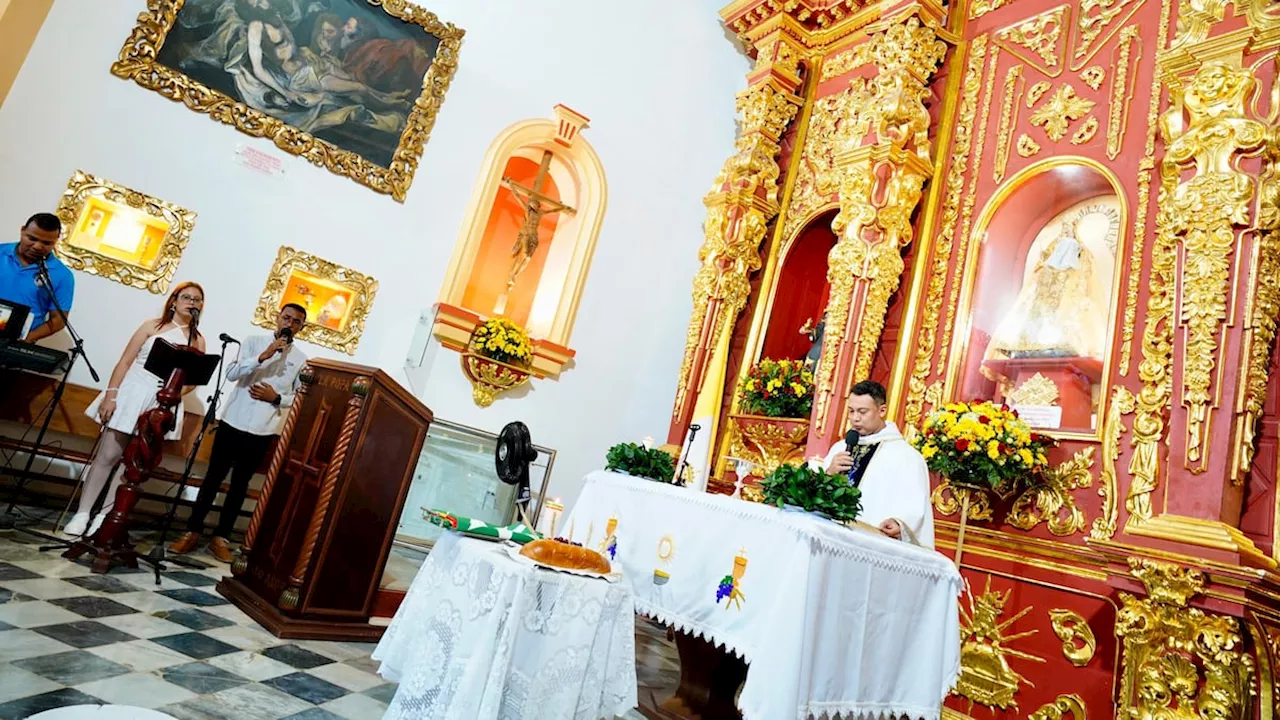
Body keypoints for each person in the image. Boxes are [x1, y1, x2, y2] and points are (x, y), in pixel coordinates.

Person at [63, 283, 207, 536]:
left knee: (131, 463)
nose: (192, 302)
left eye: (197, 299)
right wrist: (111, 396)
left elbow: (192, 382)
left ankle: (105, 516)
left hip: (161, 402)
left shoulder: (198, 340)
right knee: (107, 456)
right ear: (173, 301)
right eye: (186, 297)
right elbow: (125, 361)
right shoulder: (152, 326)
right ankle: (82, 513)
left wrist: (174, 392)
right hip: (134, 391)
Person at [169, 303, 308, 562]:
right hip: (233, 421)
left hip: (262, 430)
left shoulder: (300, 360)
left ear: (301, 327)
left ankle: (221, 538)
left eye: (296, 321)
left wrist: (277, 397)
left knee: (239, 486)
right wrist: (263, 356)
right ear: (277, 318)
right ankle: (192, 531)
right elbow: (232, 373)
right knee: (213, 479)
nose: (289, 324)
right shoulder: (254, 342)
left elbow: (300, 395)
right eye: (286, 318)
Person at [822, 380, 934, 548]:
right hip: (829, 538)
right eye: (851, 411)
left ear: (882, 410)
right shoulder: (840, 448)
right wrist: (829, 472)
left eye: (862, 412)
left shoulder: (906, 456)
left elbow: (916, 504)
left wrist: (900, 523)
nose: (855, 418)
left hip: (871, 544)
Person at [0, 213, 74, 342]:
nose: (37, 246)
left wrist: (28, 339)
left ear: (56, 241)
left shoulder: (62, 275)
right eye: (32, 238)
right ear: (23, 231)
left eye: (47, 243)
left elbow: (58, 320)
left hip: (15, 344)